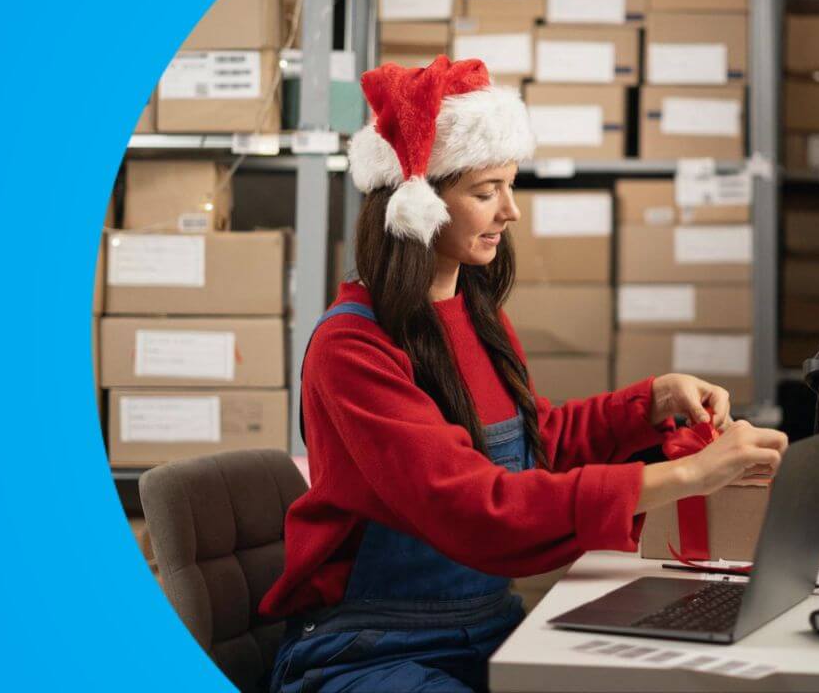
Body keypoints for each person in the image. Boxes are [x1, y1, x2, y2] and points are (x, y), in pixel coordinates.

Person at [259, 56, 789, 693]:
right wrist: (686, 475)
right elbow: (473, 508)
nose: (510, 211)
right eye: (485, 192)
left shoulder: (477, 318)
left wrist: (647, 403)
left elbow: (534, 448)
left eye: (510, 186)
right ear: (417, 205)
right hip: (370, 649)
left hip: (488, 628)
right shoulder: (351, 348)